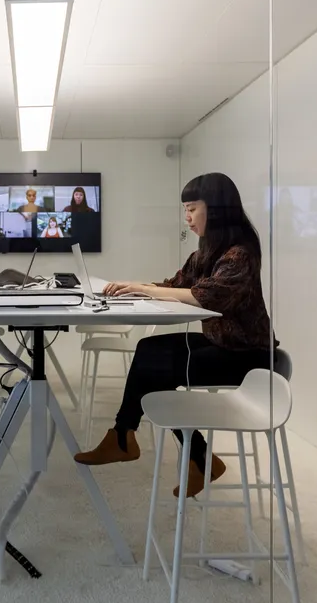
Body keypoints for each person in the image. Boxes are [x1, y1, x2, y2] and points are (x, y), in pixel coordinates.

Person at [73, 172, 280, 498]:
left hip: (247, 357)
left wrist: (144, 289)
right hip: (222, 345)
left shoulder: (240, 253)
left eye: (192, 208)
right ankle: (185, 454)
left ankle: (128, 438)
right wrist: (134, 289)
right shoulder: (208, 252)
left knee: (156, 365)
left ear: (217, 209)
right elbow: (178, 285)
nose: (187, 217)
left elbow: (205, 296)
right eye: (185, 209)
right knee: (149, 350)